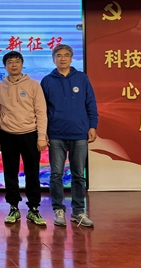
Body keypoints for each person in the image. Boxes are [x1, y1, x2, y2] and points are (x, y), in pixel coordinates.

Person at [41, 44, 98, 227]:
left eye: (66, 55)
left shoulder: (82, 78)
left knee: (78, 175)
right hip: (55, 134)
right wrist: (43, 132)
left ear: (72, 58)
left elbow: (91, 103)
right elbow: (42, 110)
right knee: (56, 174)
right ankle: (58, 209)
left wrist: (92, 126)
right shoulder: (47, 81)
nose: (63, 58)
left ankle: (78, 212)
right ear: (53, 59)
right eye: (59, 55)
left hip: (79, 134)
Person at [0, 51, 48, 226]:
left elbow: (41, 112)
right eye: (10, 62)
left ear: (22, 64)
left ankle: (33, 208)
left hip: (30, 134)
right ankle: (13, 207)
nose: (14, 64)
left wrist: (41, 136)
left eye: (17, 61)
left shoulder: (33, 85)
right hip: (8, 135)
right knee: (10, 173)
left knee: (32, 173)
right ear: (5, 66)